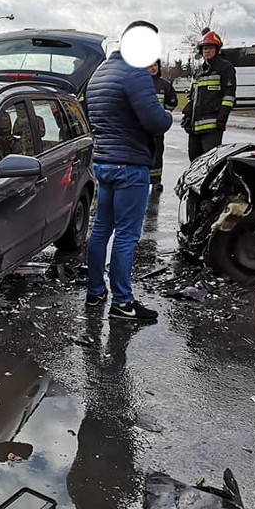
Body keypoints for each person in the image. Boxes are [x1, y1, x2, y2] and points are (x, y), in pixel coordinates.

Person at [83, 20, 172, 322]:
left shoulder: (99, 73)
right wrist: (169, 115)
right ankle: (123, 303)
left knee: (100, 230)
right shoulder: (134, 74)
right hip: (130, 167)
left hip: (104, 164)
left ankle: (95, 291)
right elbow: (155, 121)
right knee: (126, 235)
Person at [182, 30, 236, 161]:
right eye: (205, 48)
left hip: (212, 127)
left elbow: (229, 96)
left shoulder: (225, 67)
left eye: (211, 48)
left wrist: (222, 119)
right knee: (194, 161)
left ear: (218, 50)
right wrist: (188, 114)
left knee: (210, 162)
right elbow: (192, 96)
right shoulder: (199, 71)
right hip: (195, 127)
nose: (207, 51)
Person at [147, 59, 177, 189]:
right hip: (142, 127)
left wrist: (163, 115)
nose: (153, 68)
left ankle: (156, 181)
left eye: (155, 65)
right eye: (150, 66)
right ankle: (142, 179)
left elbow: (172, 102)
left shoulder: (164, 85)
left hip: (157, 127)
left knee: (157, 153)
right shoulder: (140, 83)